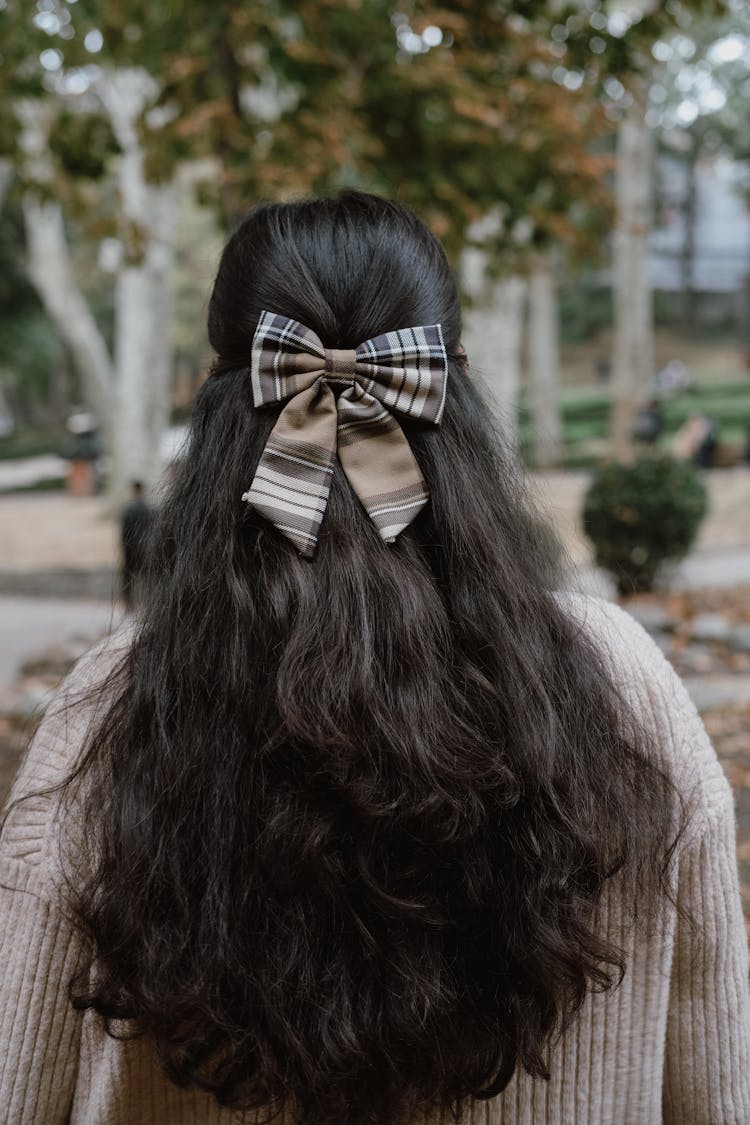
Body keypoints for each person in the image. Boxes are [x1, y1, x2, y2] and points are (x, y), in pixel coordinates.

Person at [1, 193, 748, 1124]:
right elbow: (720, 1083)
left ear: (221, 404)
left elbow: (15, 1081)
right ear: (455, 386)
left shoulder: (111, 702)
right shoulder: (625, 677)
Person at [119, 479, 153, 609]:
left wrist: (124, 549)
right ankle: (148, 603)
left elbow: (124, 533)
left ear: (133, 490)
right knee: (148, 576)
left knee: (127, 577)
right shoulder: (150, 509)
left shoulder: (128, 509)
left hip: (131, 548)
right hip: (146, 548)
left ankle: (129, 603)